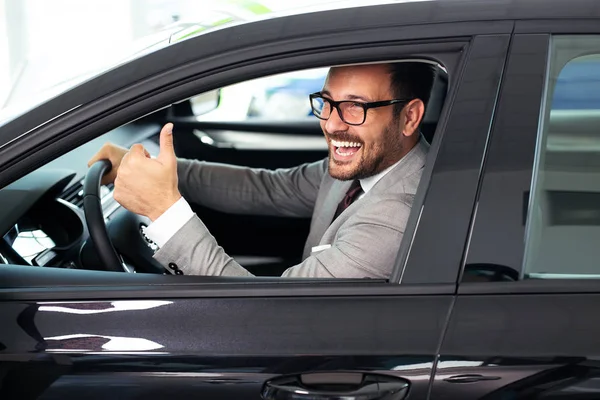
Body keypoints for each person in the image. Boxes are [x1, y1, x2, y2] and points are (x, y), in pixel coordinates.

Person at [88, 62, 436, 278]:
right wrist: (156, 170)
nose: (331, 124)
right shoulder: (370, 166)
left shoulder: (395, 216)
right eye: (327, 103)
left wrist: (164, 211)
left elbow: (266, 313)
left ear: (409, 117)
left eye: (354, 107)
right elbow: (265, 189)